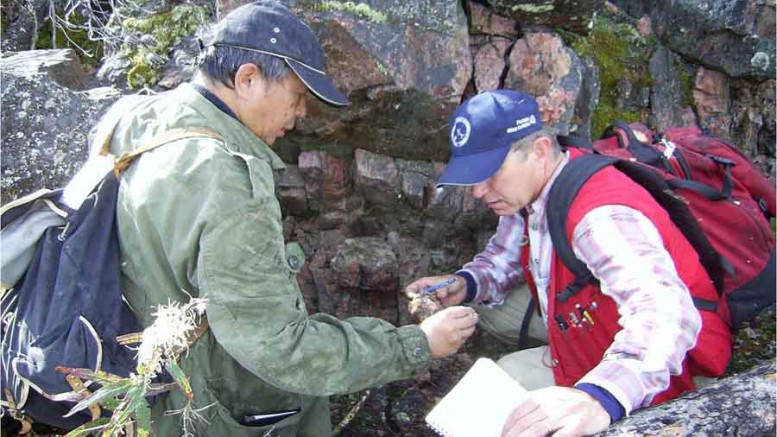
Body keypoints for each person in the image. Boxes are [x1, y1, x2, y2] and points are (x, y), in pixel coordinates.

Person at [91, 1, 479, 435]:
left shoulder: (138, 120)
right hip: (207, 409)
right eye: (296, 97)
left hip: (144, 386)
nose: (300, 115)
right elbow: (280, 348)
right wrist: (416, 345)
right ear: (248, 78)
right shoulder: (229, 182)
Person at [406, 90, 732, 436]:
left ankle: (588, 379)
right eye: (473, 175)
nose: (477, 190)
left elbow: (668, 314)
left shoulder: (600, 218)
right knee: (481, 308)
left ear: (540, 151)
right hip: (592, 313)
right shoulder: (530, 191)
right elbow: (503, 257)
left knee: (507, 391)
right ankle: (568, 355)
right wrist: (465, 283)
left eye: (491, 172)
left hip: (673, 360)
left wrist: (599, 398)